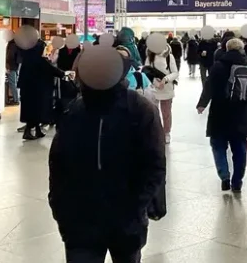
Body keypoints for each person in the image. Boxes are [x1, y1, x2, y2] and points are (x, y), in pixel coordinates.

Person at [49, 46, 166, 263]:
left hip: (125, 222)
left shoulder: (138, 109)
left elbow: (154, 164)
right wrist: (61, 210)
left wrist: (135, 207)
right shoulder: (75, 111)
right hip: (81, 224)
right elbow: (58, 164)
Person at [197, 38, 247, 193]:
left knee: (218, 145)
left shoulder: (218, 65)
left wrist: (202, 104)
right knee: (240, 148)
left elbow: (209, 86)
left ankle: (224, 176)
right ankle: (237, 182)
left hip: (220, 112)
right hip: (241, 113)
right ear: (241, 49)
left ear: (226, 49)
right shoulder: (246, 65)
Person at [19, 31, 67, 140]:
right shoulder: (39, 53)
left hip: (28, 87)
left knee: (32, 109)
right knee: (36, 109)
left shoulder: (28, 53)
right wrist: (62, 74)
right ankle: (28, 131)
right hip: (37, 88)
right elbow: (48, 67)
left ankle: (37, 130)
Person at [144, 45, 178, 144]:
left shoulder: (169, 56)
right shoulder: (150, 56)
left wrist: (166, 79)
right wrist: (155, 82)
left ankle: (166, 132)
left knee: (166, 112)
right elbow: (146, 71)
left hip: (167, 88)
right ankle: (156, 132)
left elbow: (175, 72)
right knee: (153, 112)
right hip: (154, 88)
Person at [5, 30, 20, 105]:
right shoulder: (17, 42)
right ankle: (16, 98)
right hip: (16, 65)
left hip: (12, 66)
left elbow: (10, 55)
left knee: (12, 83)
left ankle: (16, 99)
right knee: (15, 82)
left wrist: (8, 65)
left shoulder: (12, 44)